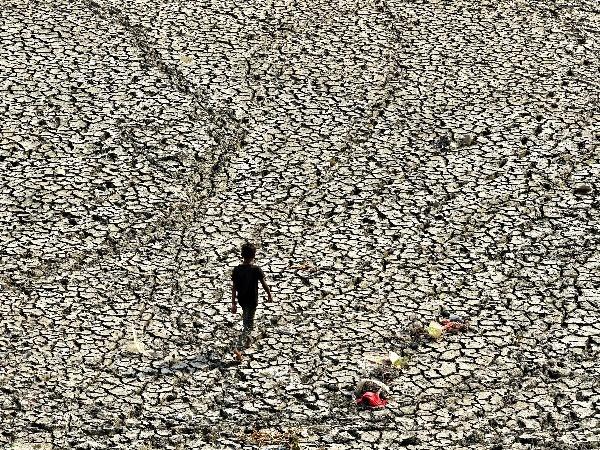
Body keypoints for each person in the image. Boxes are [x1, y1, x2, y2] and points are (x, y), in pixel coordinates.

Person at [231, 242, 272, 352]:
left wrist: (233, 303)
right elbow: (263, 283)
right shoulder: (256, 269)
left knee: (247, 319)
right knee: (249, 321)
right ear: (254, 255)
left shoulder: (237, 270)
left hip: (242, 300)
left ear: (242, 255)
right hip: (252, 300)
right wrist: (269, 294)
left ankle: (247, 340)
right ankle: (241, 343)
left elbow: (234, 287)